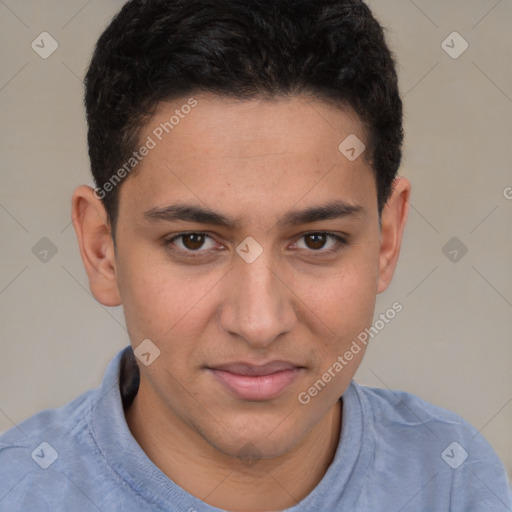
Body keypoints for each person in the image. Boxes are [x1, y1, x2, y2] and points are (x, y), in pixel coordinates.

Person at [1, 0, 510, 510]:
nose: (259, 323)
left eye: (317, 240)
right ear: (101, 250)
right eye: (194, 241)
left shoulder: (452, 478)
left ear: (387, 240)